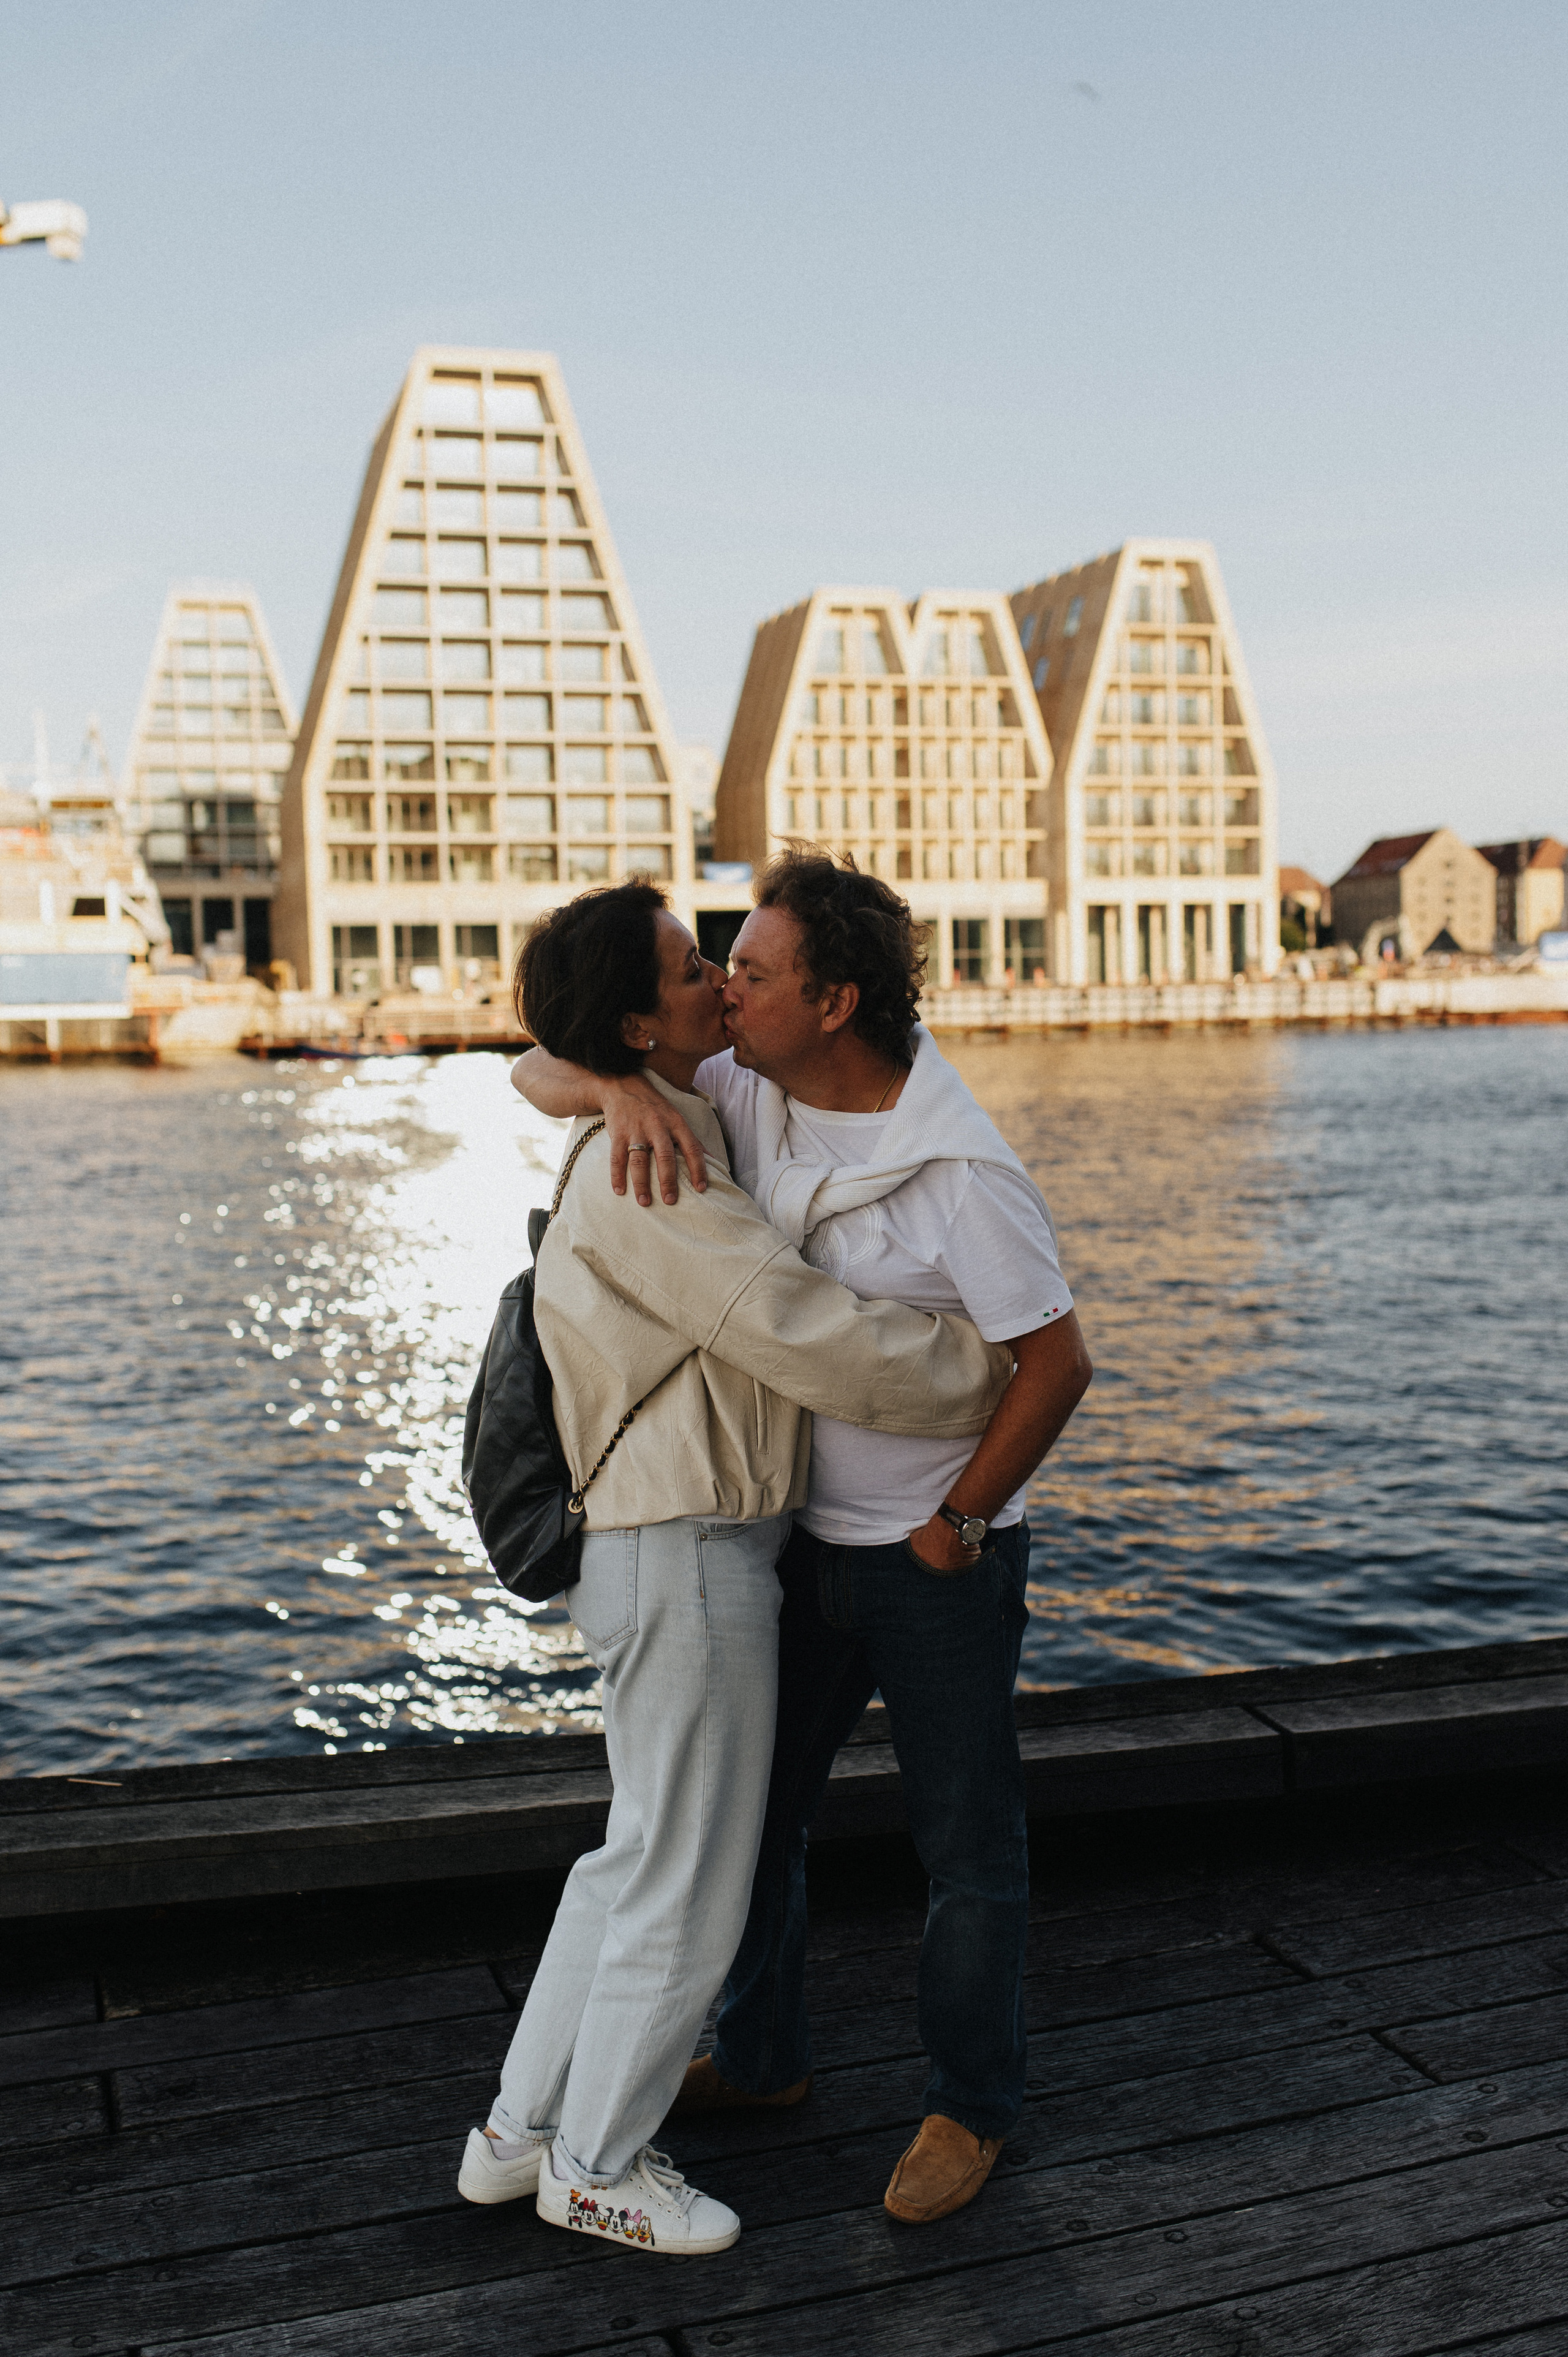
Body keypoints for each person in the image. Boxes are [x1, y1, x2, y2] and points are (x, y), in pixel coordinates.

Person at [514, 850, 1093, 2228]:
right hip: (790, 1547)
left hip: (930, 1556)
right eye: (712, 965)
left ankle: (970, 2102)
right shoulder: (736, 1082)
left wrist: (954, 1527)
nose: (724, 983)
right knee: (754, 1825)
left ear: (830, 1001)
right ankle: (763, 2057)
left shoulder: (962, 1176)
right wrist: (608, 1082)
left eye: (752, 969)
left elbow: (1055, 1365)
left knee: (965, 1846)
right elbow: (541, 1060)